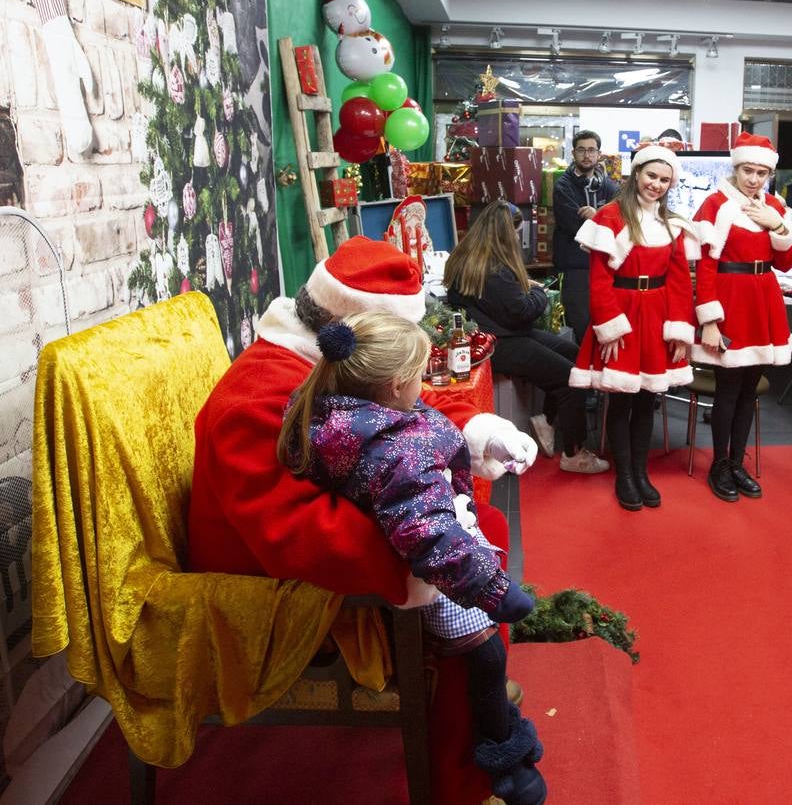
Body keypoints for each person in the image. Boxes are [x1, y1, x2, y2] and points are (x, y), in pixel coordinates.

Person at [188, 236, 538, 805]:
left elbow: (405, 410)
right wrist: (431, 547)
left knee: (472, 543)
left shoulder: (328, 365)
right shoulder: (256, 399)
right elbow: (291, 531)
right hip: (265, 583)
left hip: (315, 548)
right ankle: (462, 776)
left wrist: (476, 434)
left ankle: (481, 704)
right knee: (469, 558)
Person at [277, 314, 545, 805]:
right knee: (486, 656)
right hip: (438, 569)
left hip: (438, 535)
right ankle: (504, 757)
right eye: (420, 374)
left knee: (488, 655)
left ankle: (502, 744)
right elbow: (427, 532)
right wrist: (491, 588)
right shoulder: (396, 450)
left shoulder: (346, 411)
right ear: (397, 383)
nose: (423, 386)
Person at [569, 145, 697, 510]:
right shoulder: (609, 218)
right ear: (636, 174)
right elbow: (599, 281)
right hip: (621, 316)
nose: (656, 184)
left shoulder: (672, 224)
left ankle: (642, 473)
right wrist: (609, 327)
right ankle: (624, 475)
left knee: (647, 401)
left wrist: (679, 331)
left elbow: (677, 282)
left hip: (657, 317)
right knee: (621, 401)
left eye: (664, 179)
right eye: (651, 176)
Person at [445, 201, 608, 473]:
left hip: (496, 336)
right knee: (571, 377)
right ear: (505, 232)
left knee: (572, 352)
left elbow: (503, 308)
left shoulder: (467, 258)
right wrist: (539, 291)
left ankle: (547, 419)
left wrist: (524, 291)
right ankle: (574, 453)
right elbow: (523, 311)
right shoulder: (494, 268)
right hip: (502, 343)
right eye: (516, 230)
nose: (518, 236)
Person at [691, 134, 792, 501]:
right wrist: (709, 318)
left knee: (750, 390)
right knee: (728, 389)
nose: (754, 179)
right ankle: (720, 464)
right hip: (729, 298)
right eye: (748, 171)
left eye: (762, 173)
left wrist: (778, 225)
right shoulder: (715, 204)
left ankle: (737, 462)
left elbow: (786, 262)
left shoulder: (775, 206)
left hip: (763, 297)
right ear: (735, 168)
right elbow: (705, 265)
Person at [552, 130, 620, 340]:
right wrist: (603, 218)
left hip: (604, 265)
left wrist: (596, 215)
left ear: (599, 154)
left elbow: (620, 220)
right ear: (573, 153)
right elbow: (576, 226)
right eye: (581, 150)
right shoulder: (563, 187)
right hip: (575, 268)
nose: (587, 155)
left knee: (605, 322)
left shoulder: (609, 186)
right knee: (582, 326)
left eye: (591, 150)